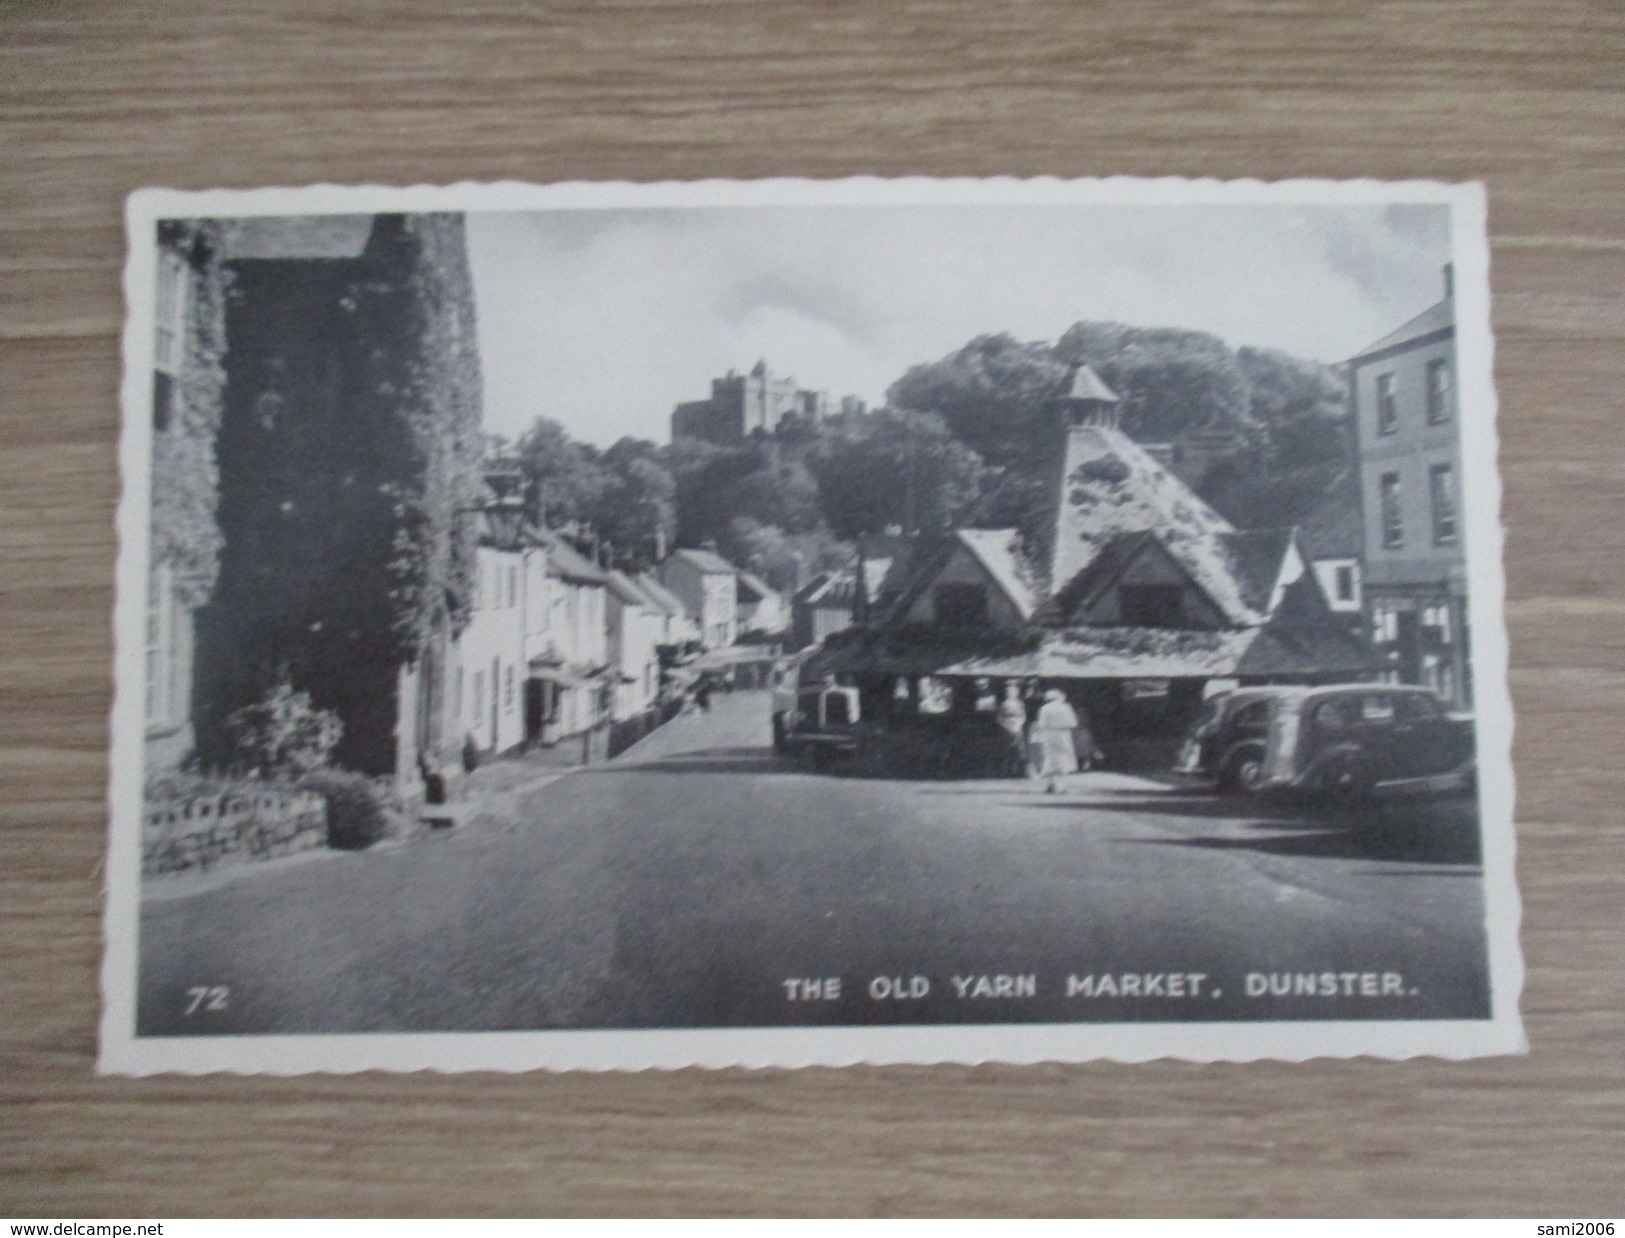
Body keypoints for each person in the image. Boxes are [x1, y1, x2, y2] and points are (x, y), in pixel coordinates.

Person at [1032, 687, 1080, 793]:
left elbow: (1041, 724)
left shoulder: (1044, 708)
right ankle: (1061, 786)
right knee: (1063, 758)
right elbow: (1073, 723)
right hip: (1063, 734)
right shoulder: (1066, 707)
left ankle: (1051, 784)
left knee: (1050, 759)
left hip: (1049, 735)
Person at [997, 681, 1029, 778]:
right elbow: (999, 718)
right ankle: (1006, 772)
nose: (1011, 694)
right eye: (1009, 692)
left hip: (1017, 727)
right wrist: (1007, 726)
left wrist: (1018, 725)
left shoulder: (1020, 704)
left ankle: (1021, 772)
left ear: (1017, 693)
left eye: (1013, 692)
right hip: (1007, 728)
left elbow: (1023, 716)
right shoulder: (1003, 704)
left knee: (1020, 750)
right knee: (1007, 750)